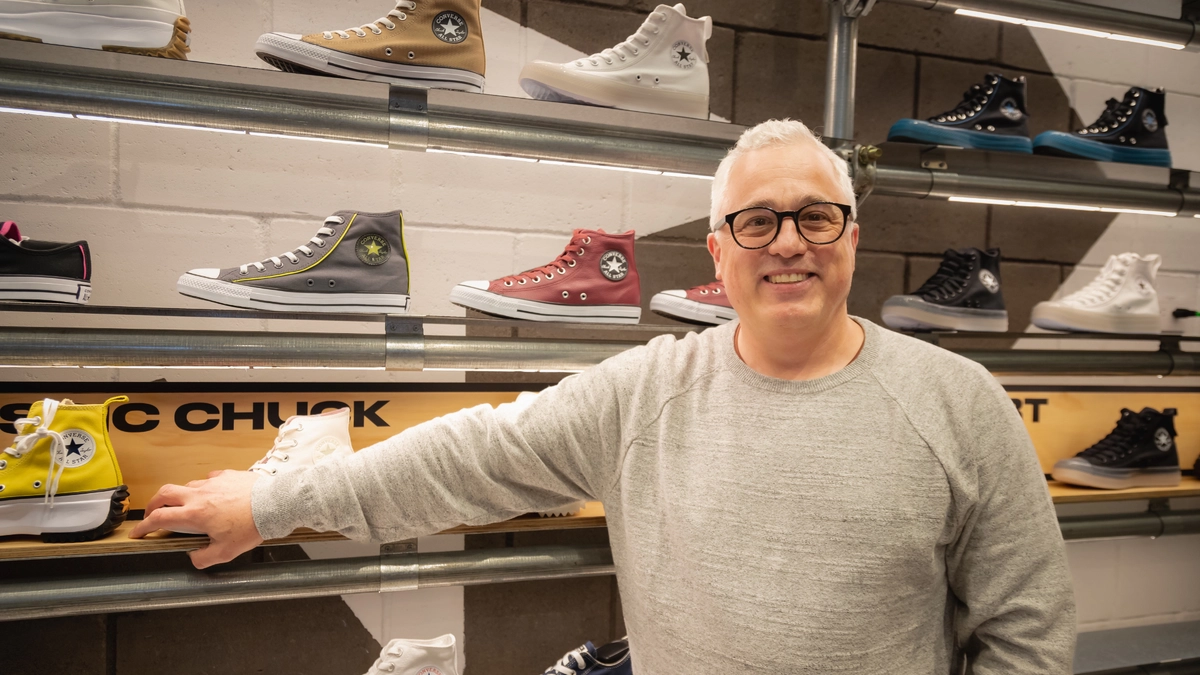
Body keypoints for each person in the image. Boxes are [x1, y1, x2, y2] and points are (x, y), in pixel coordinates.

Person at [131, 119, 1076, 673]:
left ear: (853, 238)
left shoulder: (959, 402)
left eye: (815, 216)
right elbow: (468, 456)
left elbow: (1027, 628)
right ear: (719, 251)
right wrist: (271, 502)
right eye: (757, 222)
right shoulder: (646, 392)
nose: (789, 241)